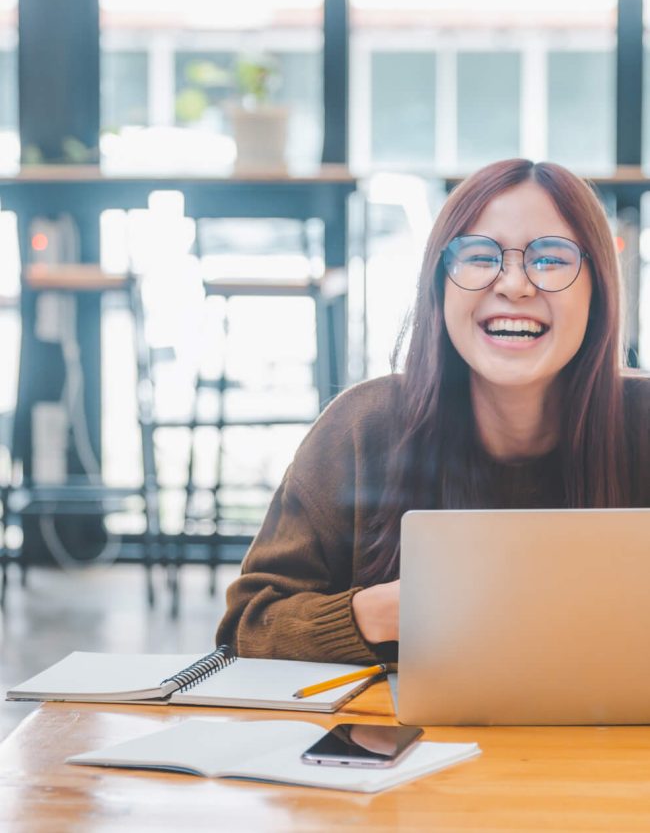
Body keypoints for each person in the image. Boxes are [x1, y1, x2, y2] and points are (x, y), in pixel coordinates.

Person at [216, 158, 650, 665]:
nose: (514, 285)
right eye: (480, 256)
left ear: (598, 292)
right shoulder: (363, 428)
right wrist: (376, 614)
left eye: (551, 260)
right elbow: (243, 633)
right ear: (438, 286)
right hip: (398, 740)